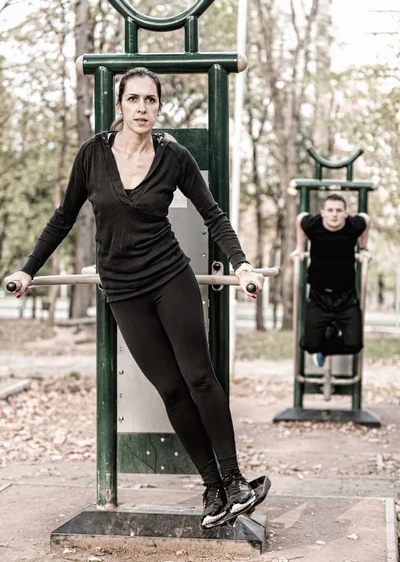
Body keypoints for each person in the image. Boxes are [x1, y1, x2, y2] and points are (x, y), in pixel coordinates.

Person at [5, 67, 265, 529]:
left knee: (199, 378)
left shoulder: (173, 156)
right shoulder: (92, 156)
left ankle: (236, 481)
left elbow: (213, 215)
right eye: (134, 99)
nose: (142, 108)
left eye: (150, 100)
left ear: (159, 107)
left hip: (169, 276)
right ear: (119, 106)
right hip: (123, 289)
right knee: (170, 389)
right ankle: (212, 489)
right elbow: (63, 217)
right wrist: (28, 269)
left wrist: (242, 263)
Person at [290, 193, 372, 367]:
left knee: (354, 344)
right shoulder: (313, 224)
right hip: (319, 296)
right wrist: (299, 248)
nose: (334, 214)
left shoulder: (353, 225)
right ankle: (324, 340)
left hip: (346, 297)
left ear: (345, 213)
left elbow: (366, 219)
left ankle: (326, 347)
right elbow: (300, 219)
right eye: (330, 210)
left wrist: (364, 248)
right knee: (309, 345)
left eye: (339, 210)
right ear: (323, 213)